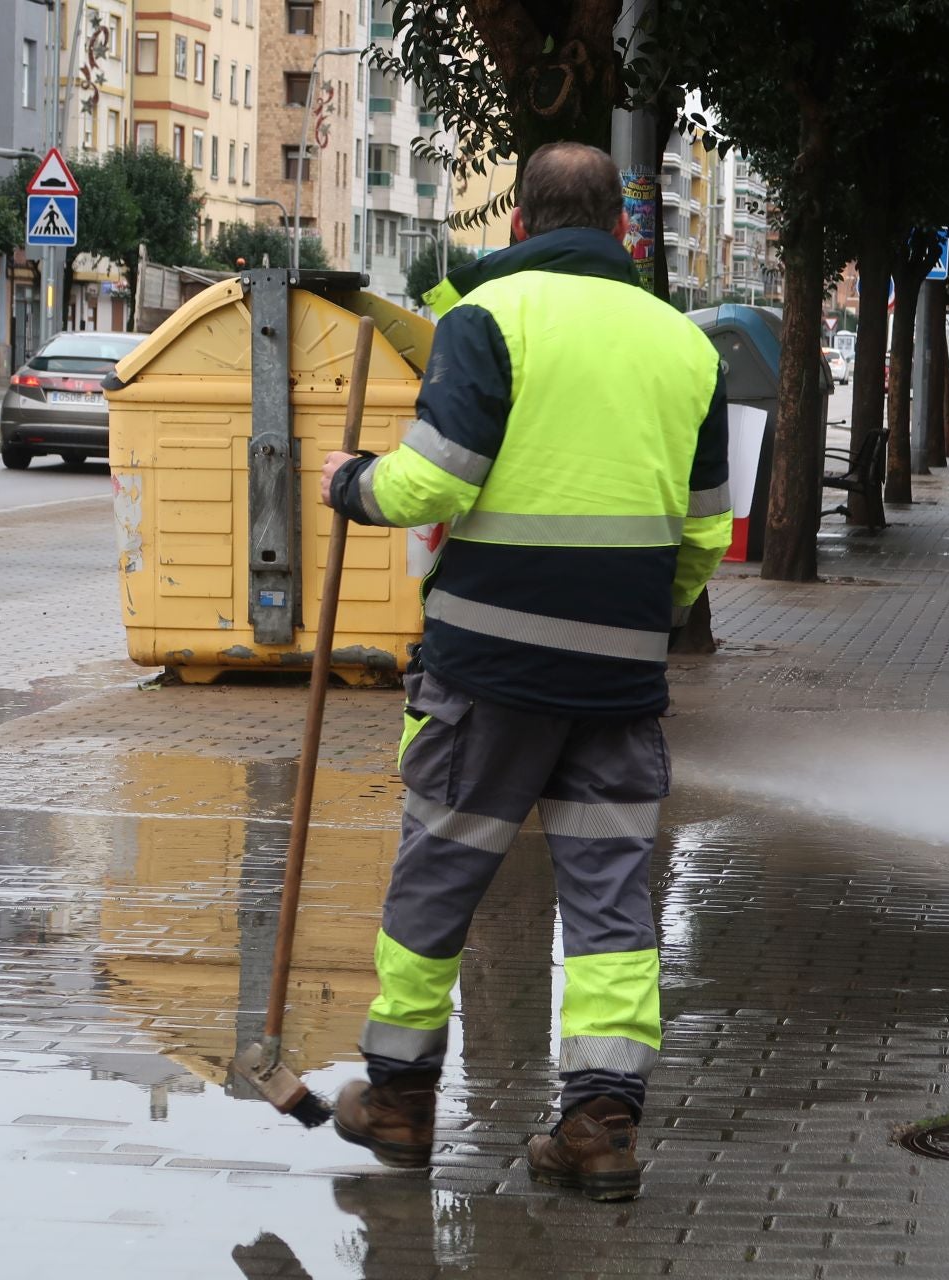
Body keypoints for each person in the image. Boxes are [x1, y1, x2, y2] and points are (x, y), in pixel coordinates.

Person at [317, 142, 731, 1203]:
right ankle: (599, 1124)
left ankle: (403, 1101)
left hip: (488, 671)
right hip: (619, 680)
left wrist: (353, 483)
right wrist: (640, 613)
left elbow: (433, 479)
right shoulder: (687, 347)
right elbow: (704, 533)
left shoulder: (489, 320)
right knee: (607, 903)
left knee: (440, 874)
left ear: (520, 225)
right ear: (621, 231)